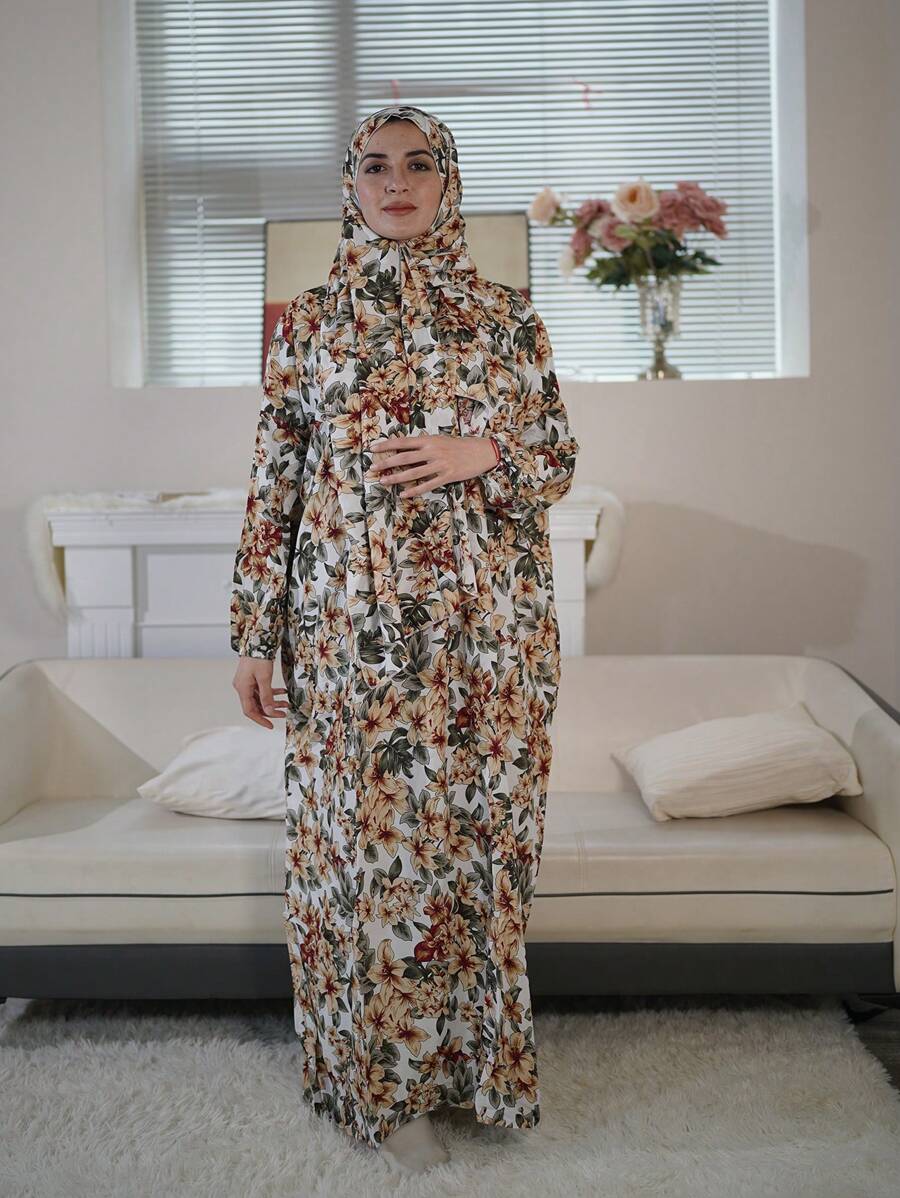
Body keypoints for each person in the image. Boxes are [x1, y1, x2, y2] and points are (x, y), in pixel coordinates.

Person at [230, 104, 580, 1173]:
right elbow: (276, 482)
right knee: (372, 854)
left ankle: (473, 1072)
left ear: (447, 181)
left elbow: (556, 458)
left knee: (477, 849)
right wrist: (253, 633)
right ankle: (384, 1088)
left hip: (489, 633)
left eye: (418, 164)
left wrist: (483, 452)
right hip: (351, 631)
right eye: (376, 166)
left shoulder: (506, 316)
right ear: (351, 184)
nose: (396, 182)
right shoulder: (312, 322)